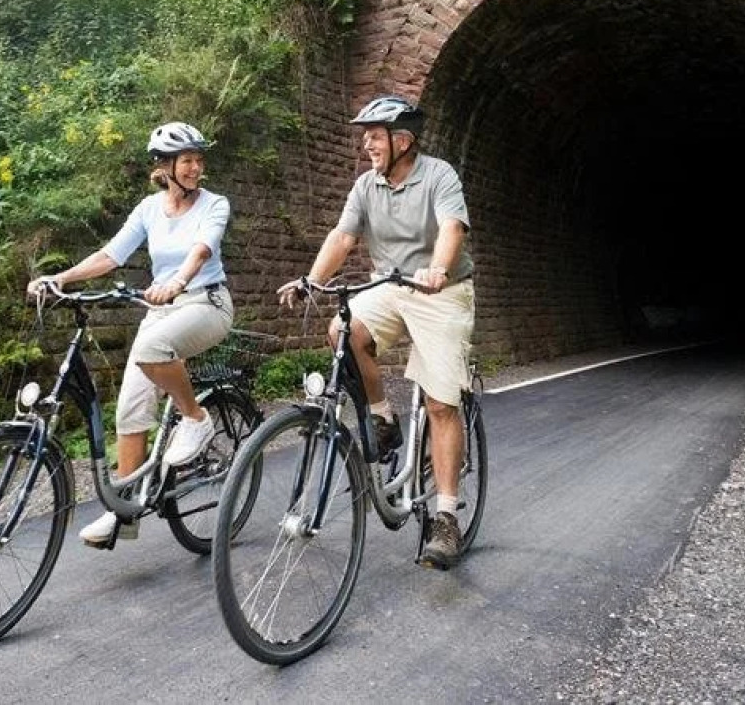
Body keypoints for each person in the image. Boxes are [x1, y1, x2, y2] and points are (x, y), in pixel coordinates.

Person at [277, 95, 476, 570]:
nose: (366, 143)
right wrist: (312, 281)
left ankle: (446, 516)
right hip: (389, 287)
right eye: (364, 134)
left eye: (374, 134)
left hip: (439, 290)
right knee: (343, 330)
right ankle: (383, 418)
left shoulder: (439, 175)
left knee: (441, 402)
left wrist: (438, 269)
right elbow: (343, 238)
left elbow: (452, 227)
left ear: (402, 141)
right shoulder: (366, 186)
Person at [28, 121, 233, 548]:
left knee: (151, 347)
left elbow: (202, 249)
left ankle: (195, 419)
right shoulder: (148, 209)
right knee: (129, 409)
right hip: (161, 309)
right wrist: (61, 279)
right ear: (165, 166)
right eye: (188, 161)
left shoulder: (215, 204)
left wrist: (176, 282)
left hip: (206, 303)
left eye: (199, 160)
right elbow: (111, 254)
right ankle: (123, 512)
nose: (196, 168)